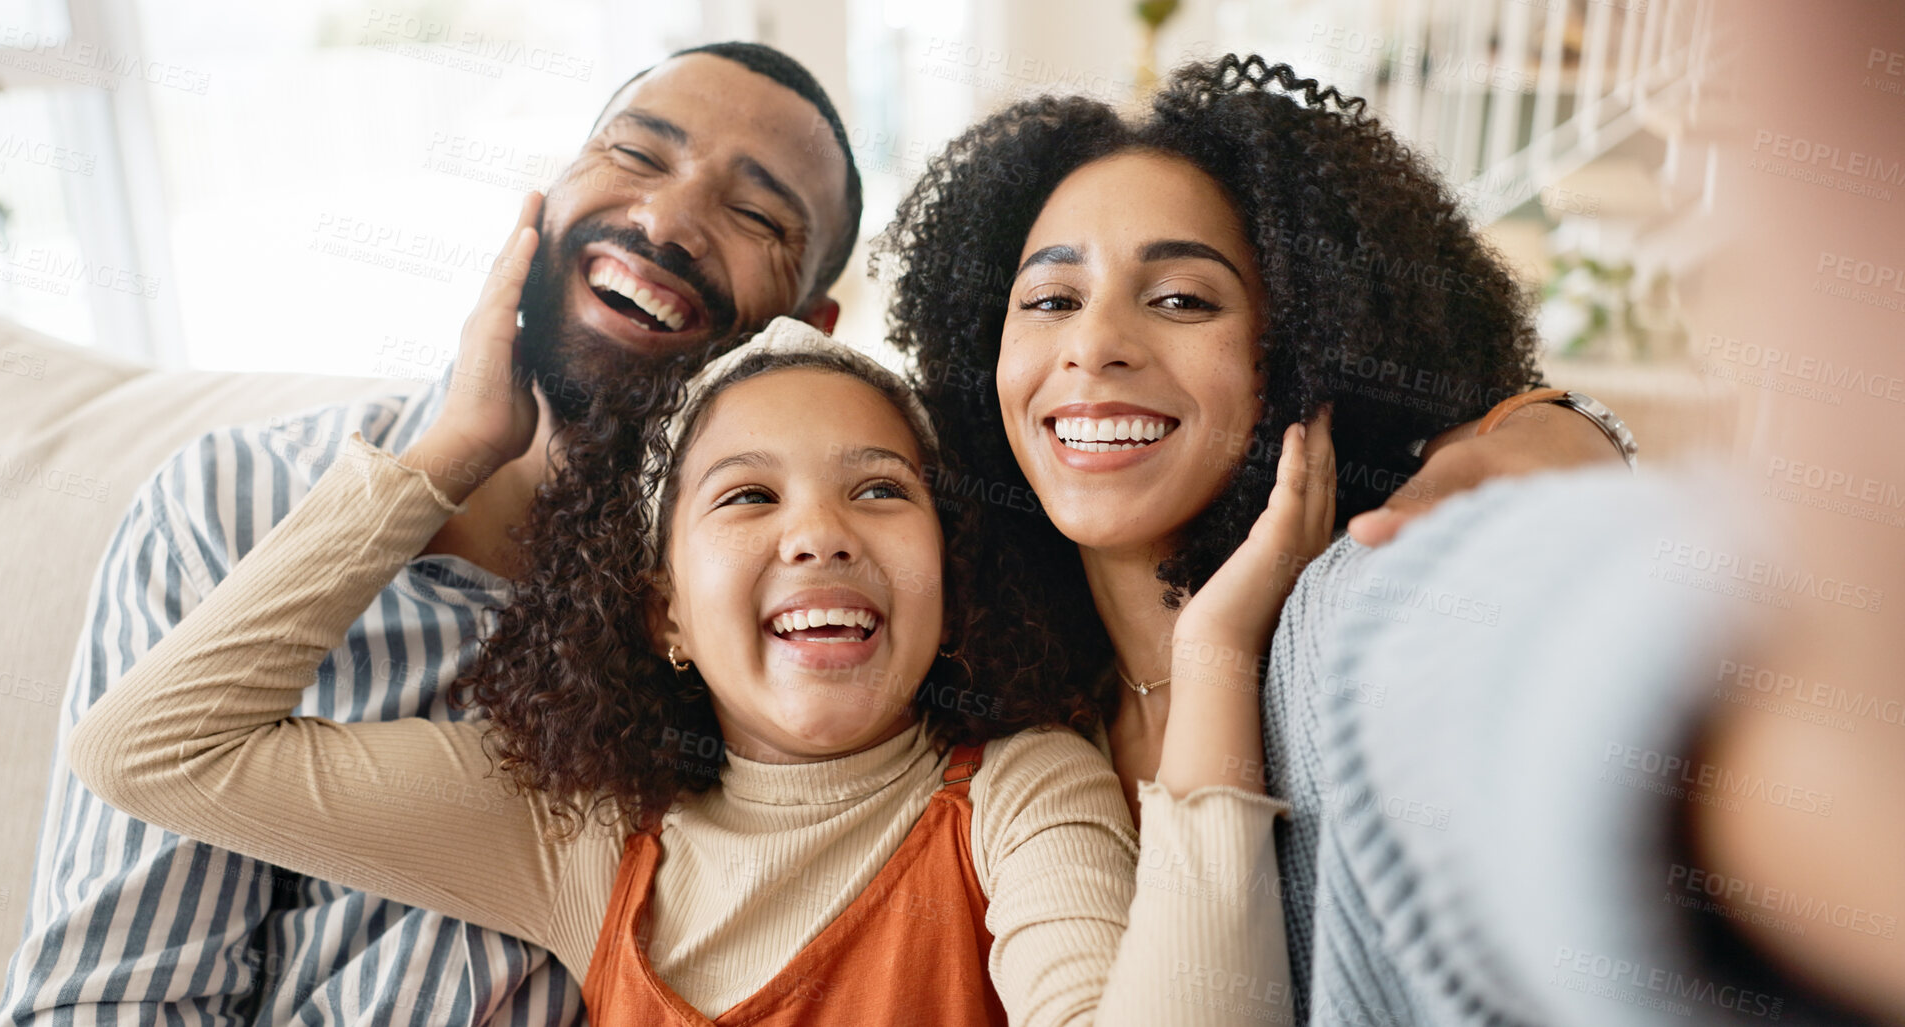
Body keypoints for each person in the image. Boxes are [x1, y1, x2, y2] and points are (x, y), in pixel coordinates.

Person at [65, 298, 1313, 1023]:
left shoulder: (1017, 793)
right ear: (663, 611)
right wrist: (442, 456)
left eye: (880, 490)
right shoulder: (582, 834)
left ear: (950, 577)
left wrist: (1212, 652)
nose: (819, 530)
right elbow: (153, 751)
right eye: (747, 495)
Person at [0, 41, 865, 1025]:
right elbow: (108, 1000)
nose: (666, 220)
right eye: (634, 153)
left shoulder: (786, 611)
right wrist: (447, 458)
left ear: (809, 327)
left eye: (755, 215)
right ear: (548, 194)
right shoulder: (231, 508)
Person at [876, 53, 1632, 1014]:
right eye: (1051, 300)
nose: (1093, 342)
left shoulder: (1366, 620)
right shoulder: (997, 695)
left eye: (1182, 299)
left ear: (1309, 343)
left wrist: (1568, 430)